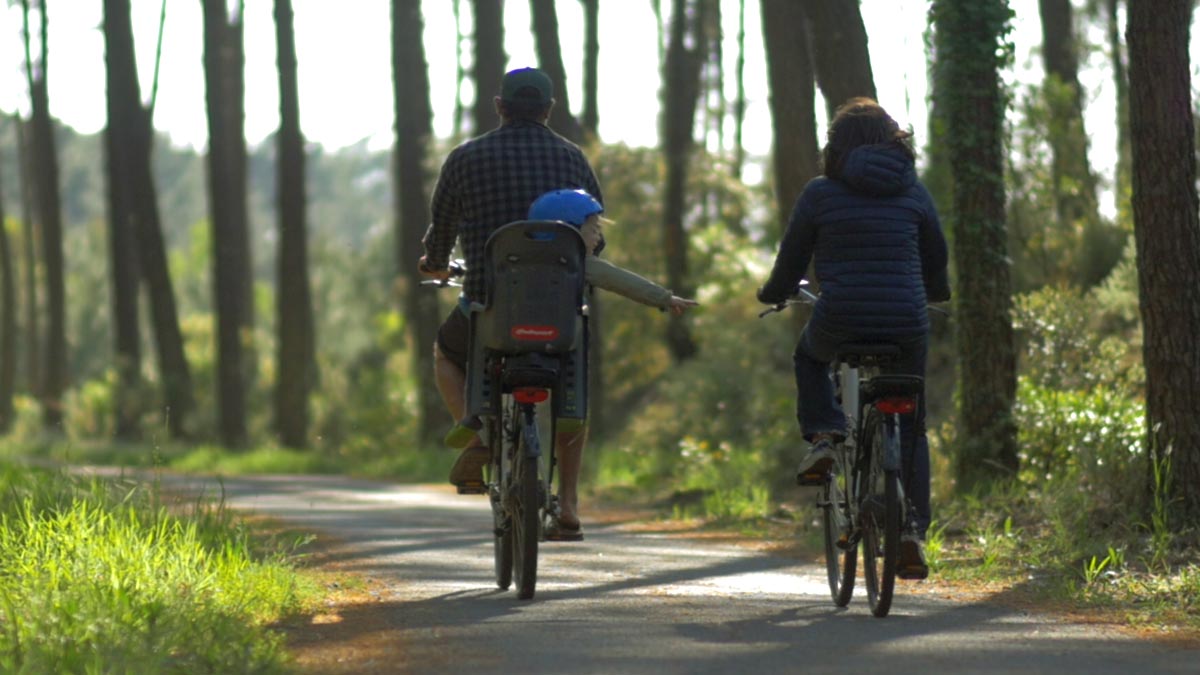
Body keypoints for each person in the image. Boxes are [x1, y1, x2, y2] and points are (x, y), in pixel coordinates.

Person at [756, 97, 950, 580]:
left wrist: (774, 293)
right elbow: (937, 257)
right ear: (893, 141)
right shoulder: (915, 191)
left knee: (809, 356)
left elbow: (793, 258)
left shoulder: (820, 193)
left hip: (840, 316)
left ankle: (824, 436)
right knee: (911, 424)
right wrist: (935, 292)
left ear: (835, 147)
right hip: (906, 321)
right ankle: (911, 531)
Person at [417, 67, 602, 540]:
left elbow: (441, 234)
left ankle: (475, 430)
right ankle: (572, 506)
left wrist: (436, 264)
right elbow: (594, 240)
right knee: (572, 390)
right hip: (561, 312)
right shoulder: (572, 158)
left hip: (489, 307)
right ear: (549, 109)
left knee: (445, 352)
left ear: (500, 106)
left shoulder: (465, 158)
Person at [526, 188, 699, 315]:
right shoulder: (577, 262)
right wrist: (664, 298)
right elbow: (621, 280)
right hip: (559, 335)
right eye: (593, 230)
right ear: (569, 230)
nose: (598, 238)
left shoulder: (514, 258)